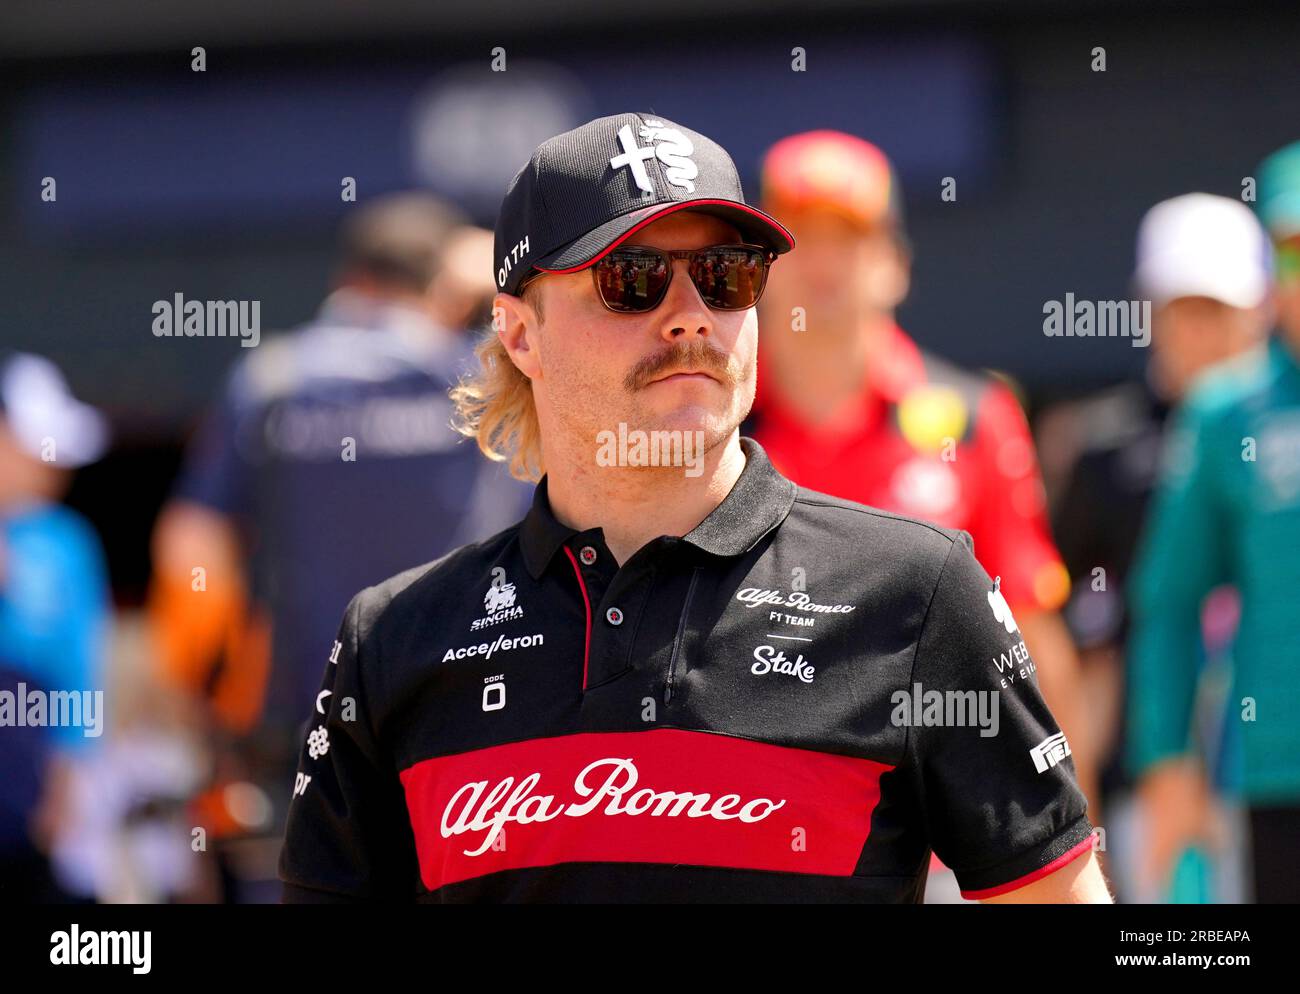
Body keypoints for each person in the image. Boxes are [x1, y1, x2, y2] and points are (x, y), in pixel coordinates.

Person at [278, 112, 1110, 903]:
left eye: (725, 275)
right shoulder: (391, 641)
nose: (691, 319)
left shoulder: (919, 593)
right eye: (631, 280)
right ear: (519, 334)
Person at [148, 192, 532, 899]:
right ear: (446, 283)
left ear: (349, 281)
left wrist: (204, 711)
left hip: (298, 749)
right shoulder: (487, 384)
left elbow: (190, 554)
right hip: (471, 741)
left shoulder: (270, 383)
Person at [1051, 194, 1271, 901]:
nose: (1203, 331)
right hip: (1147, 775)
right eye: (1184, 308)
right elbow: (1070, 628)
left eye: (1219, 308)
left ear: (1261, 306)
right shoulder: (1102, 447)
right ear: (1149, 309)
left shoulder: (1282, 432)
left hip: (1271, 766)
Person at [1128, 142, 1300, 904]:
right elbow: (1168, 602)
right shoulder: (1226, 412)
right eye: (1295, 253)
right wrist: (1168, 765)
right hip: (1280, 781)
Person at [0, 352, 112, 901]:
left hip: (26, 808)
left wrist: (68, 785)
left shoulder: (64, 544)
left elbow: (78, 674)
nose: (54, 467)